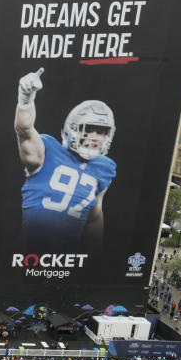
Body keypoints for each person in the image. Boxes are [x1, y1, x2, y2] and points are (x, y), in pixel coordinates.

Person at [15, 67, 117, 250]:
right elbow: (24, 130)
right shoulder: (48, 151)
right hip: (31, 253)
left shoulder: (105, 168)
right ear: (70, 130)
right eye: (87, 129)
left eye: (101, 132)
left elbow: (94, 219)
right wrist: (25, 98)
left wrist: (94, 258)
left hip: (67, 259)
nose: (94, 137)